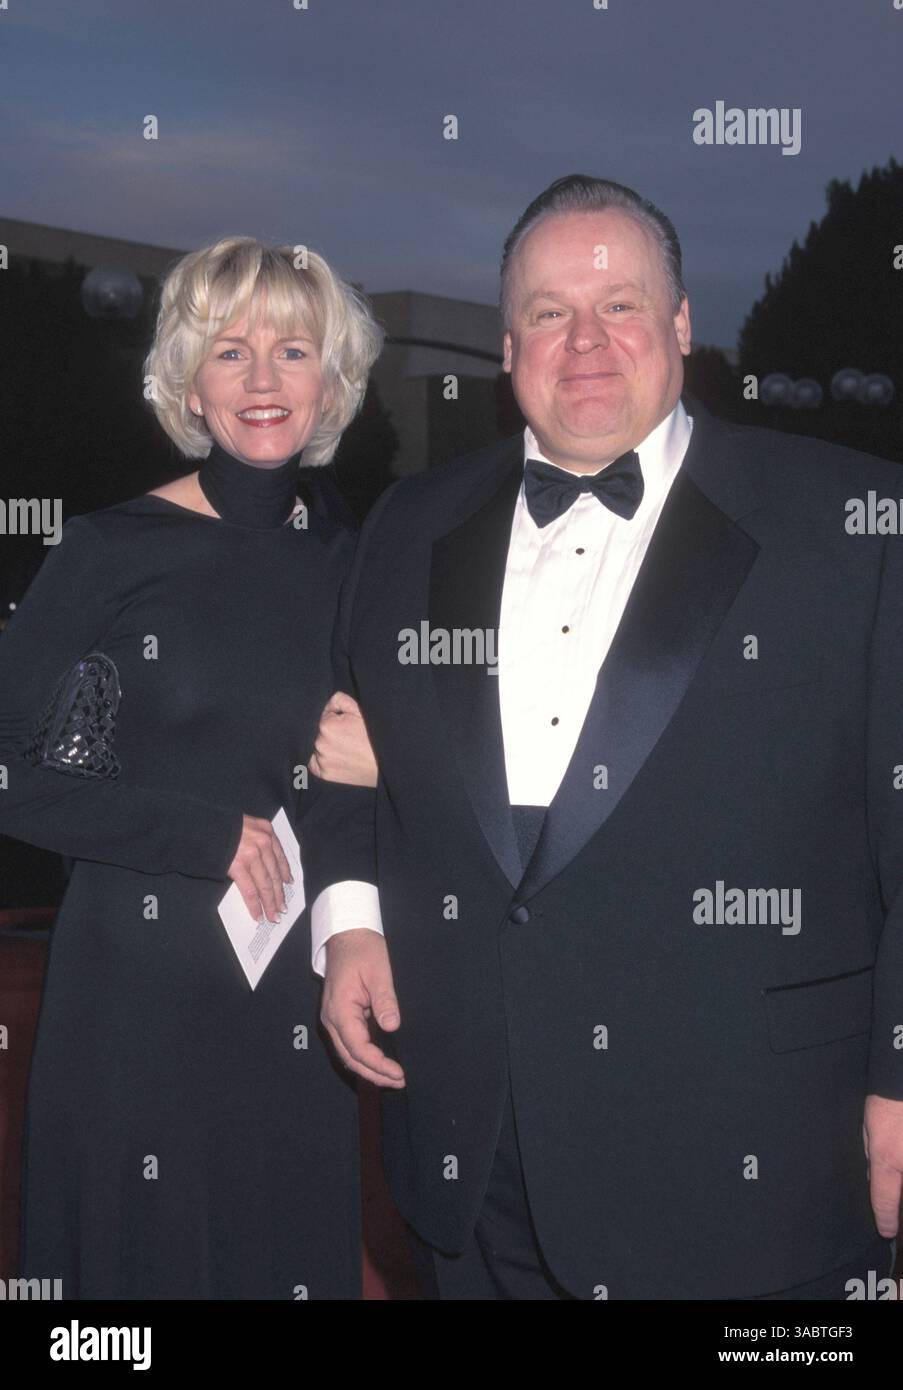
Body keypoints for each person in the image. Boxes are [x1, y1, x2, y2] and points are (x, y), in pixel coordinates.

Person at [304, 174, 903, 1300]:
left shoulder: (855, 525)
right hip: (475, 1155)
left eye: (620, 304)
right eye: (547, 312)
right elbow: (336, 746)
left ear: (682, 326)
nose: (583, 341)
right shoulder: (408, 526)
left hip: (757, 1168)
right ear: (505, 343)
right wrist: (348, 919)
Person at [0, 236, 381, 1299]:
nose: (263, 379)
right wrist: (202, 835)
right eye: (230, 351)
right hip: (137, 992)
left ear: (332, 377)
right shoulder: (109, 550)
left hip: (293, 996)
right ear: (189, 383)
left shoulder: (358, 557)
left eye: (293, 349)